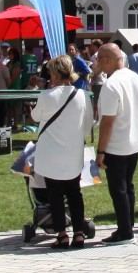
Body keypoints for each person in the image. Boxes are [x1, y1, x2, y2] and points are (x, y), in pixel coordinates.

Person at [30, 55, 93, 248]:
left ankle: (62, 234)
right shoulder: (81, 95)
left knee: (55, 195)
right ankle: (79, 233)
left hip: (50, 152)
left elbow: (35, 117)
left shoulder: (46, 95)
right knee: (75, 193)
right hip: (73, 151)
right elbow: (88, 123)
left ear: (55, 73)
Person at [92, 42, 138, 243]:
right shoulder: (136, 79)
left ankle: (125, 231)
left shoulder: (111, 84)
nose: (97, 64)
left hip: (117, 144)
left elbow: (107, 122)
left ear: (107, 60)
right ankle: (128, 225)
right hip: (134, 141)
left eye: (99, 60)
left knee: (118, 189)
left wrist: (100, 151)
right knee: (127, 186)